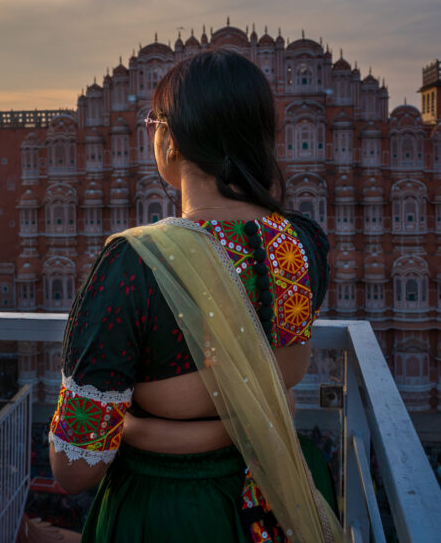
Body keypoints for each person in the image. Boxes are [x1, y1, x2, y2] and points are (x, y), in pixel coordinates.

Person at [48, 51, 340, 543]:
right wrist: (270, 410)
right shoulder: (301, 244)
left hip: (173, 511)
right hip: (285, 491)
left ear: (174, 138)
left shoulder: (134, 264)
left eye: (154, 122)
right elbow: (273, 390)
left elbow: (73, 468)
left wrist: (140, 429)